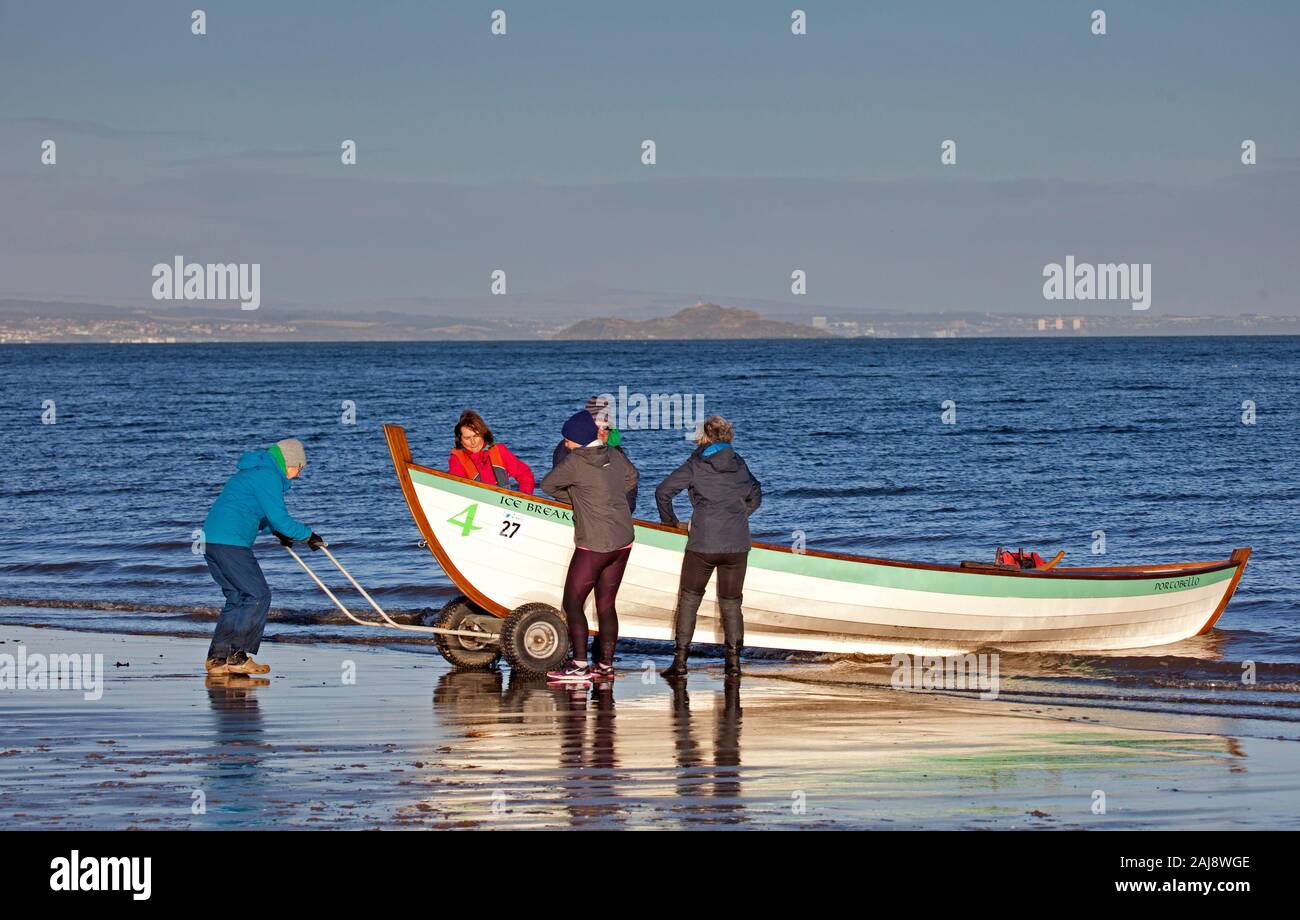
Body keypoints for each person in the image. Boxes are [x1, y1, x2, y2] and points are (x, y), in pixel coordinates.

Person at [201, 437, 324, 676]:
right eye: (300, 467)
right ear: (289, 462)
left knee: (236, 597)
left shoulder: (257, 473)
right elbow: (280, 518)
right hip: (230, 542)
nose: (299, 474)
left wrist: (279, 533)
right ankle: (238, 656)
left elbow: (257, 514)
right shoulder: (268, 476)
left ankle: (218, 659)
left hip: (212, 540)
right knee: (259, 595)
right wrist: (307, 535)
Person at [655, 416, 761, 677]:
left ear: (704, 437)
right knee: (732, 603)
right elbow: (756, 493)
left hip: (703, 542)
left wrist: (670, 523)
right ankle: (734, 665)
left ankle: (680, 664)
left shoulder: (696, 463)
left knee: (690, 600)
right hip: (737, 544)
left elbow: (663, 492)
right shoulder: (739, 463)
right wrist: (739, 514)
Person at [540, 410, 640, 683]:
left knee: (572, 603)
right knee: (606, 605)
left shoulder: (575, 462)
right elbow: (633, 477)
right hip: (623, 541)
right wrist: (608, 495)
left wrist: (577, 497)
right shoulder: (614, 454)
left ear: (579, 440)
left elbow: (547, 485)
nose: (565, 444)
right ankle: (605, 667)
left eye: (568, 440)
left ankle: (579, 666)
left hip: (594, 544)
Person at [551, 395, 636, 514]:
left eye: (606, 427)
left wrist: (624, 510)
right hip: (578, 511)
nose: (603, 431)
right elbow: (558, 485)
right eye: (598, 426)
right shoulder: (568, 447)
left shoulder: (614, 449)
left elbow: (630, 481)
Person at [448, 409, 535, 493]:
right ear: (460, 439)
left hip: (503, 502)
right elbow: (456, 487)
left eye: (476, 436)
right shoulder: (457, 458)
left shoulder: (499, 451)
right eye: (467, 438)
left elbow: (525, 474)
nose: (473, 442)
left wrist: (523, 497)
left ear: (483, 434)